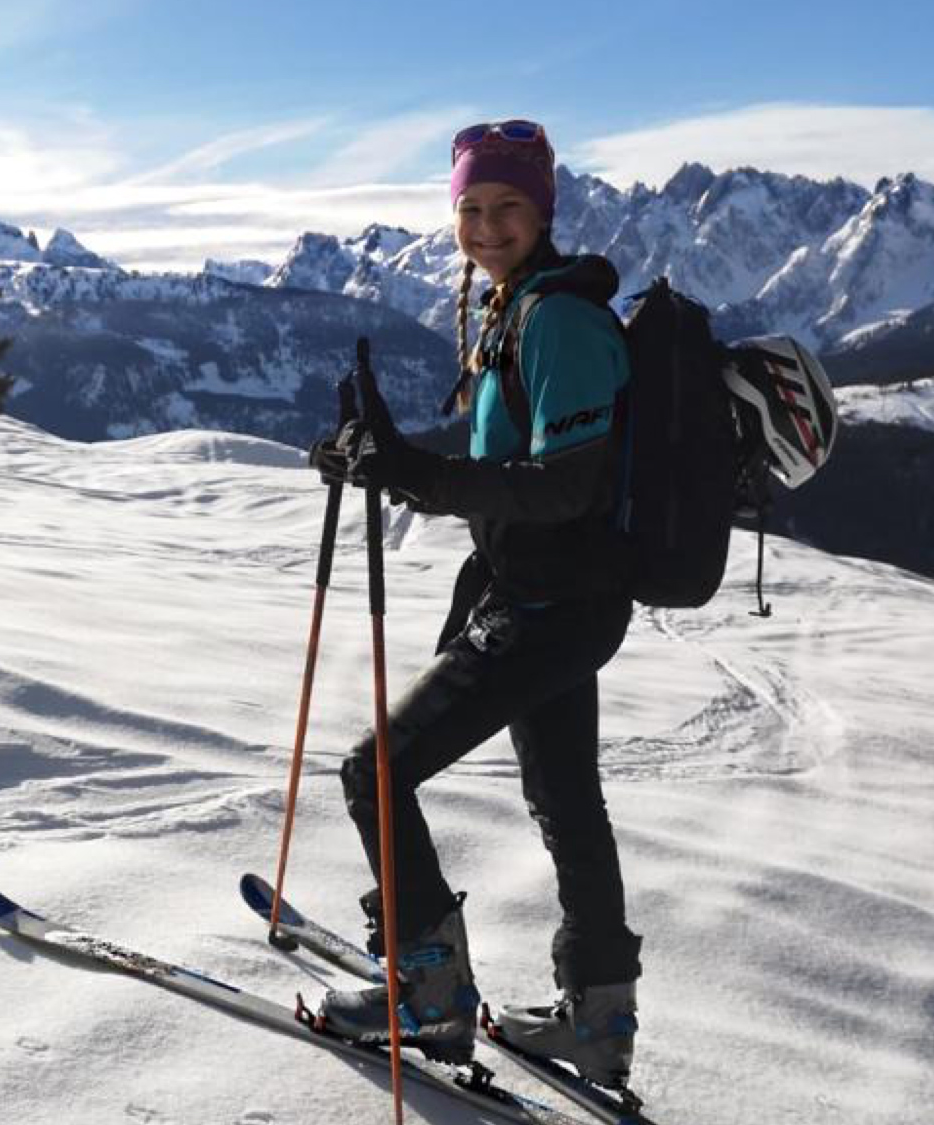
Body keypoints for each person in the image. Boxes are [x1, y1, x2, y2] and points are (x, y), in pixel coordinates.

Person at [309, 119, 642, 1090]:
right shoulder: (517, 306)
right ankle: (597, 1017)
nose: (487, 226)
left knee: (374, 770)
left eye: (507, 207)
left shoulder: (562, 323)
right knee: (565, 800)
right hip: (550, 595)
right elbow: (509, 468)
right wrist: (378, 459)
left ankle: (429, 994)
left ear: (543, 211)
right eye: (470, 209)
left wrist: (413, 473)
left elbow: (562, 487)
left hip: (552, 600)